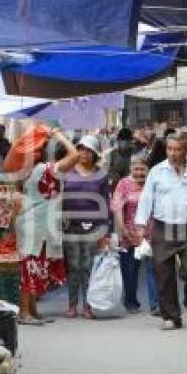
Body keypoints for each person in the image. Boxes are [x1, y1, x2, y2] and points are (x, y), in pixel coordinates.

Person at [135, 133, 187, 330]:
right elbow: (146, 198)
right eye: (170, 149)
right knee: (163, 274)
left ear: (185, 150)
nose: (173, 153)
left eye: (178, 149)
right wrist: (141, 223)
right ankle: (171, 316)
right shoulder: (156, 171)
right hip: (163, 228)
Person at [15, 128, 79, 325]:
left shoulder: (34, 170)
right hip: (37, 225)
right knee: (30, 267)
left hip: (34, 224)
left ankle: (32, 311)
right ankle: (24, 313)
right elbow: (74, 155)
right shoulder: (48, 169)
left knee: (34, 266)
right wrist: (59, 134)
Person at [63, 135, 111, 319]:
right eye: (81, 149)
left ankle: (88, 305)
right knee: (73, 265)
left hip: (93, 227)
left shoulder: (101, 175)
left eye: (89, 150)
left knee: (88, 266)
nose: (84, 153)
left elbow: (105, 203)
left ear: (95, 154)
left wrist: (105, 230)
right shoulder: (67, 172)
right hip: (70, 227)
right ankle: (72, 304)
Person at [111, 155, 159, 315]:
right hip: (129, 234)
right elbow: (117, 207)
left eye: (142, 169)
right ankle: (131, 302)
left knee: (154, 270)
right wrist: (122, 228)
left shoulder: (153, 183)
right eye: (136, 169)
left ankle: (155, 304)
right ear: (131, 169)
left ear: (148, 170)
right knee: (130, 271)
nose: (139, 173)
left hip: (151, 234)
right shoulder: (123, 184)